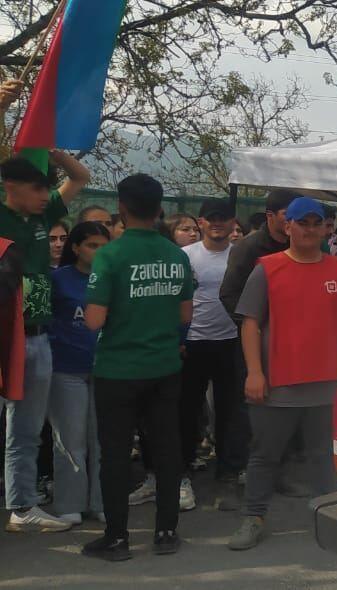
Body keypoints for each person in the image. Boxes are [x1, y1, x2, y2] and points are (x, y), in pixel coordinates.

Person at [81, 174, 193, 561]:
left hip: (118, 369)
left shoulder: (110, 255)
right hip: (164, 366)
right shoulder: (177, 256)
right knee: (166, 450)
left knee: (114, 454)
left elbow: (94, 320)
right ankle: (166, 532)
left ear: (121, 208)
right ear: (160, 209)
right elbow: (185, 314)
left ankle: (117, 538)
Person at [229, 197, 337, 550]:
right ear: (288, 226)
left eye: (317, 223)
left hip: (328, 384)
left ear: (326, 228)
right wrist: (254, 372)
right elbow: (250, 324)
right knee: (265, 455)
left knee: (324, 456)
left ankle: (332, 519)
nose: (310, 230)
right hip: (278, 384)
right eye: (303, 223)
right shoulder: (267, 269)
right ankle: (253, 516)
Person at [1, 151, 90, 533]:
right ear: (11, 187)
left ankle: (22, 507)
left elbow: (80, 177)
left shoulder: (42, 215)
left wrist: (54, 152)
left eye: (46, 189)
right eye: (37, 188)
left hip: (37, 338)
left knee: (25, 430)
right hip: (4, 337)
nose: (45, 196)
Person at [180, 199, 247, 511]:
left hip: (231, 342)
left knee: (230, 413)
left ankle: (228, 474)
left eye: (224, 218)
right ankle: (181, 474)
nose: (217, 223)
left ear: (233, 223)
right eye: (211, 218)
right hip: (192, 342)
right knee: (186, 411)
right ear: (201, 222)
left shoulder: (241, 257)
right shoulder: (185, 256)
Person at [47, 222, 111, 525]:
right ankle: (69, 503)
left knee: (104, 440)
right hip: (66, 368)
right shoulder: (58, 279)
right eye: (92, 245)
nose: (98, 252)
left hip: (106, 367)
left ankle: (102, 501)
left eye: (104, 246)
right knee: (70, 439)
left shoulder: (113, 277)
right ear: (76, 248)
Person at [220, 190, 295, 317]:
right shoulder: (248, 248)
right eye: (287, 214)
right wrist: (253, 324)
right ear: (270, 215)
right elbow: (229, 294)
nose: (293, 219)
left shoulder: (299, 246)